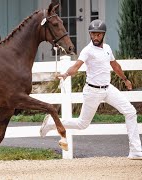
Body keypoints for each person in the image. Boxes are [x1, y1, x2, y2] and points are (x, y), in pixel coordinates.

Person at [40, 19, 142, 159]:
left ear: (103, 34)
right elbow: (76, 66)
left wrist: (125, 79)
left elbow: (115, 66)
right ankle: (51, 123)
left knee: (130, 111)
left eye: (98, 34)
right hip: (92, 91)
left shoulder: (107, 49)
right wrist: (65, 74)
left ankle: (136, 151)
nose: (95, 37)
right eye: (92, 34)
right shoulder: (87, 50)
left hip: (108, 89)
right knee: (82, 124)